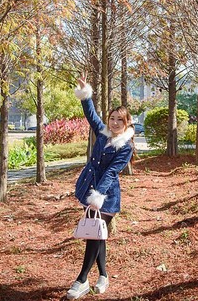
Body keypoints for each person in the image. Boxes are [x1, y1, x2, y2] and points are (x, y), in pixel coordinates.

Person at [66, 74, 135, 300]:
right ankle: (103, 275)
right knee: (97, 233)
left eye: (119, 120)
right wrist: (86, 93)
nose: (114, 123)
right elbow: (91, 115)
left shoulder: (126, 146)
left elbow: (112, 172)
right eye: (112, 118)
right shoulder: (102, 132)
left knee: (93, 236)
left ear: (126, 123)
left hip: (108, 196)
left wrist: (98, 196)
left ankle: (82, 279)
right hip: (89, 189)